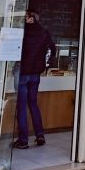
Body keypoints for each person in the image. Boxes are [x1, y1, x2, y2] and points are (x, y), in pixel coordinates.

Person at [13, 10, 56, 149]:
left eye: (25, 17)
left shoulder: (22, 32)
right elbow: (53, 50)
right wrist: (46, 65)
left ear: (30, 18)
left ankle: (23, 140)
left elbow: (15, 50)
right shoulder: (44, 32)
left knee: (21, 105)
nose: (24, 19)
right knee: (33, 103)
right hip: (36, 74)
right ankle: (40, 135)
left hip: (23, 73)